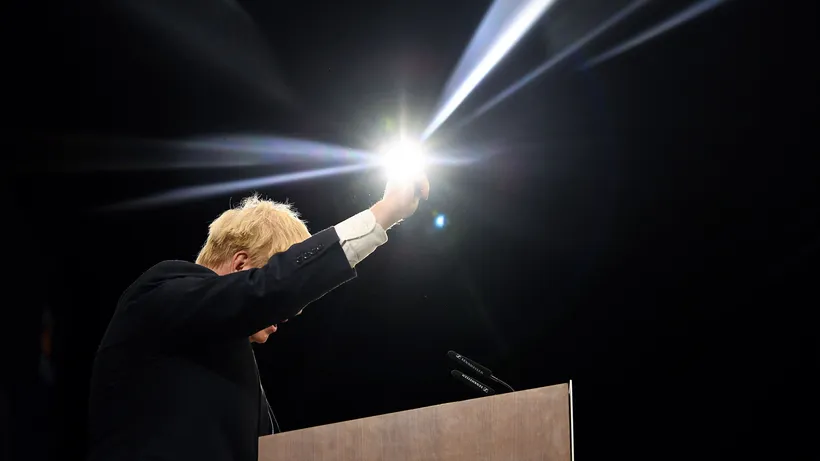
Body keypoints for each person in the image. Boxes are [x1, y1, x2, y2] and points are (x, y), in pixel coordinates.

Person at [87, 173, 430, 461]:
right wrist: (384, 213)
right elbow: (271, 289)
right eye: (281, 281)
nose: (293, 312)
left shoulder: (231, 365)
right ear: (241, 265)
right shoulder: (160, 291)